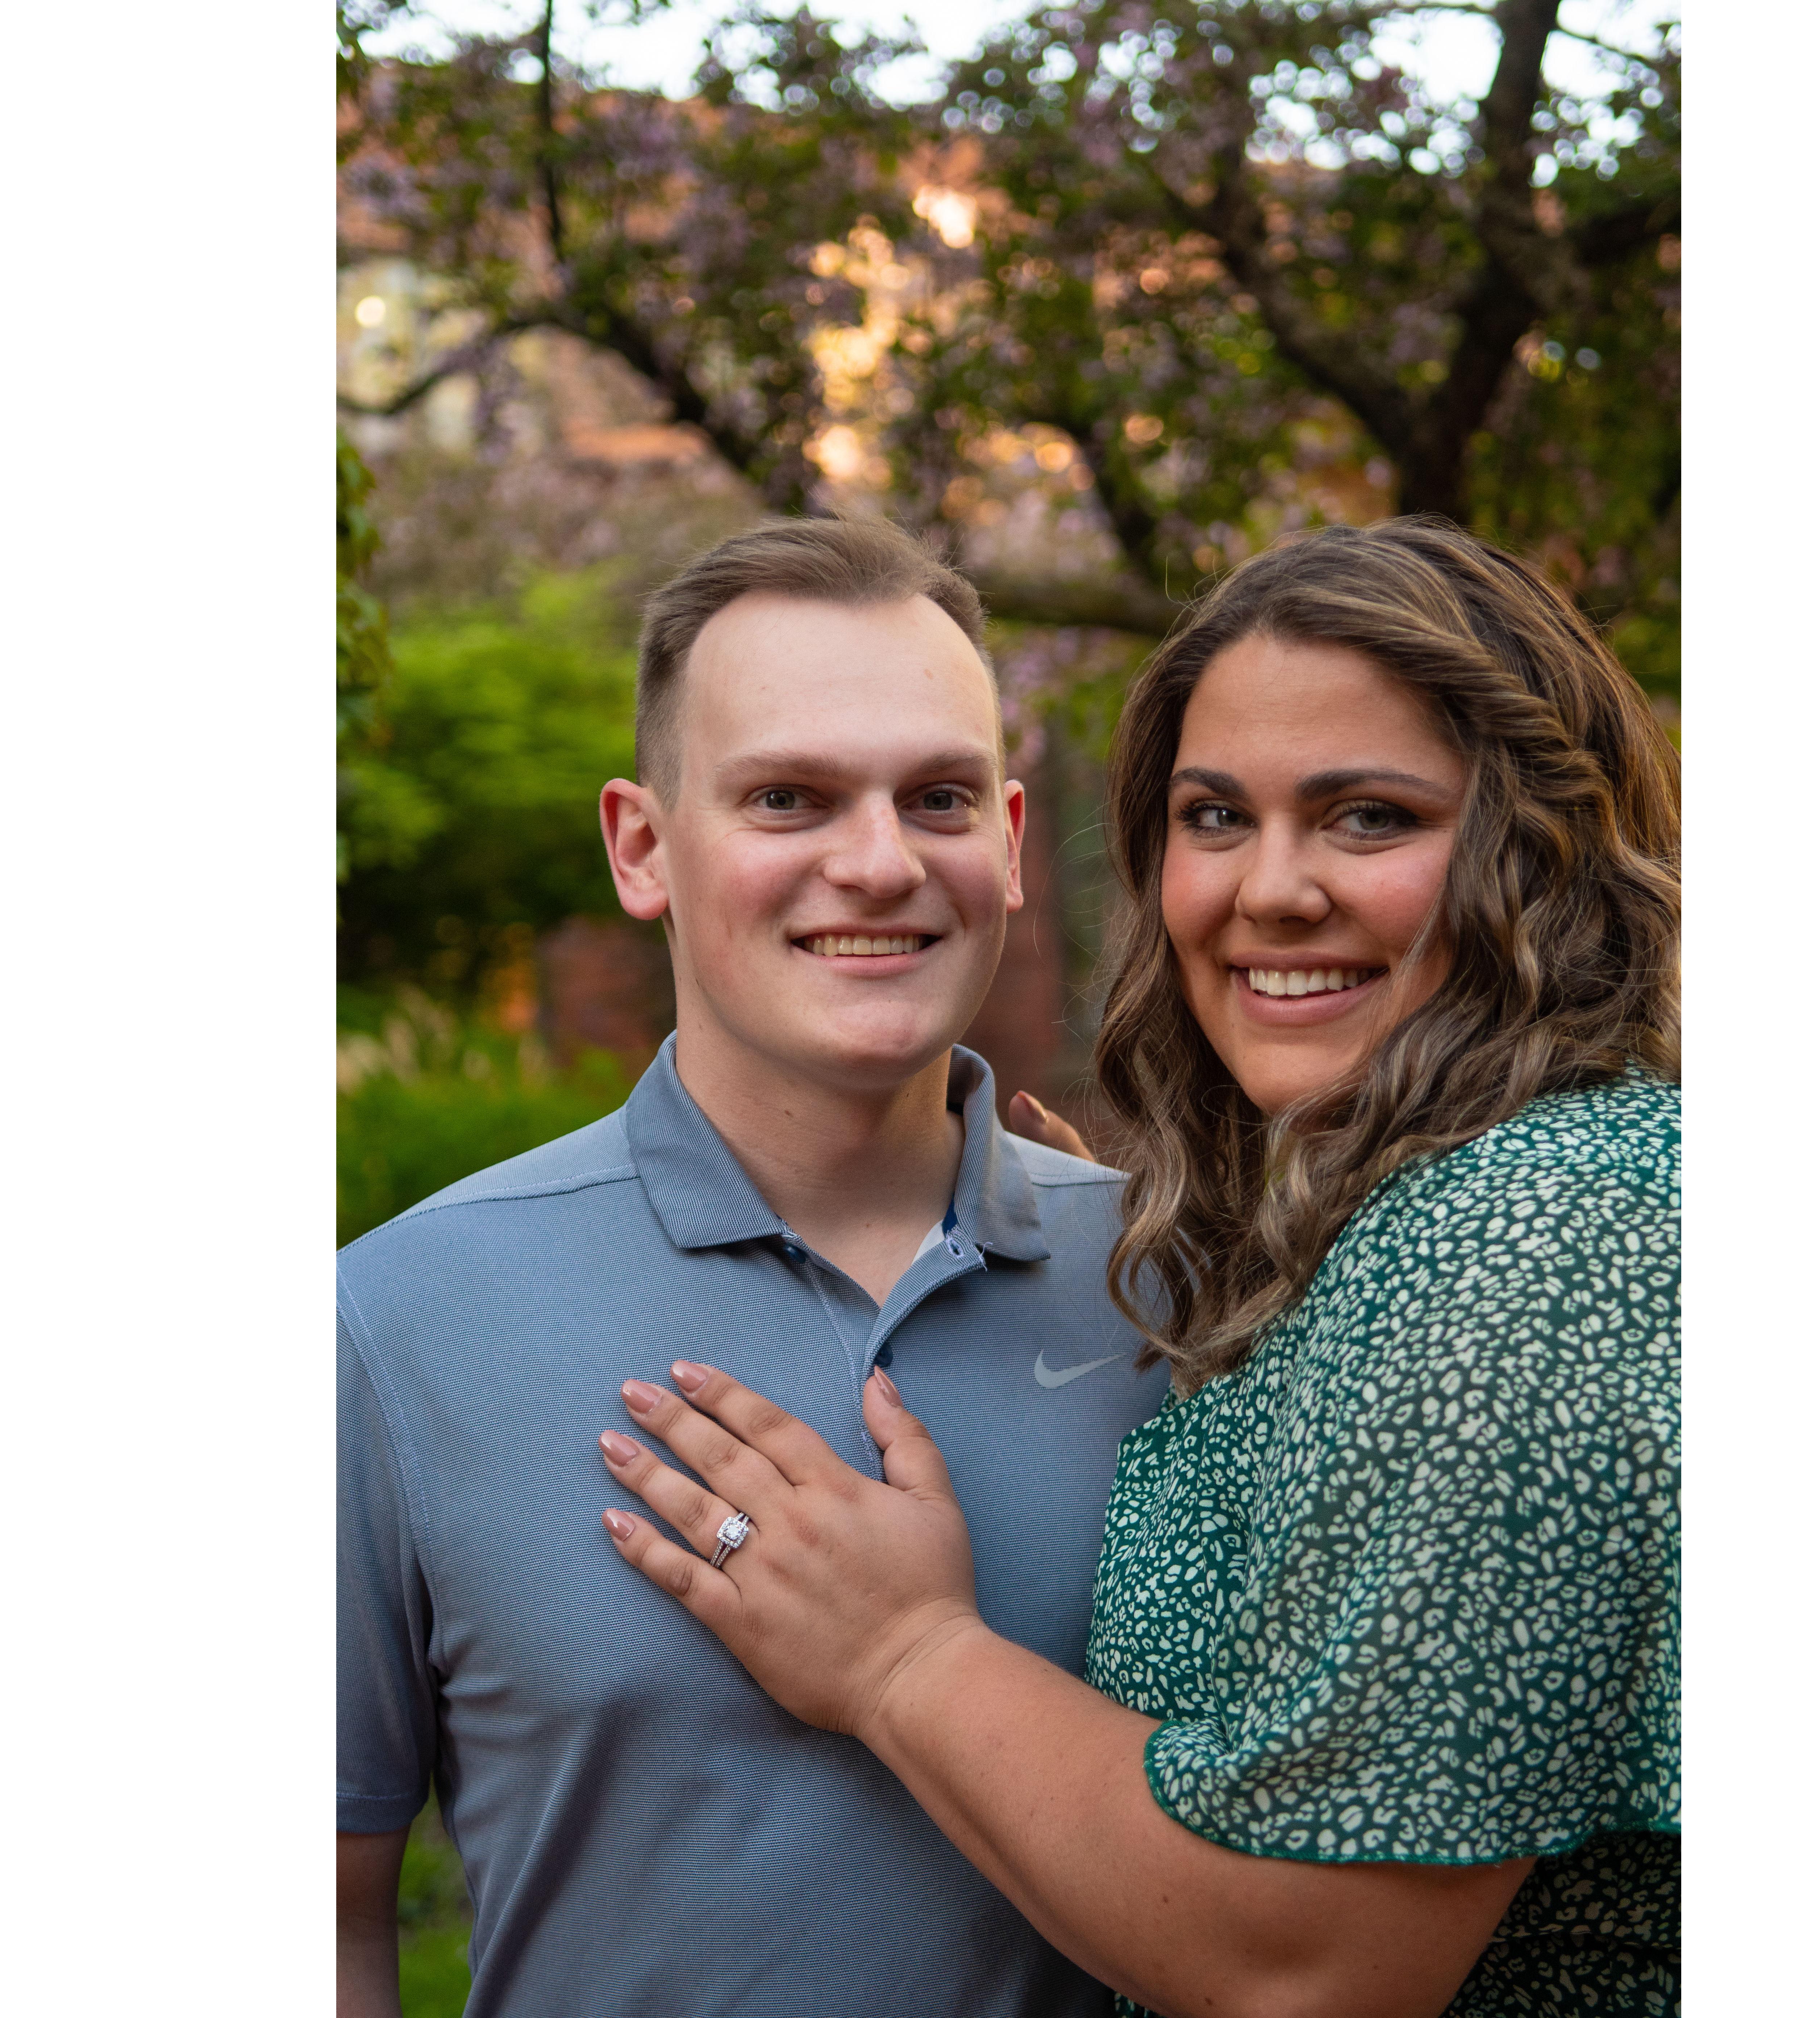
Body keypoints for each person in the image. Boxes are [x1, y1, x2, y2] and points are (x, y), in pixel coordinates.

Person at [583, 517, 1681, 2017]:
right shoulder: (1449, 1213)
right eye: (1216, 816)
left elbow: (1311, 1966)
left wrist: (903, 1655)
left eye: (1370, 818)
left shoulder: (1527, 1236)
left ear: (1543, 847)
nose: (1270, 890)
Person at [336, 518, 1168, 2017]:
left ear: (1009, 843)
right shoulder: (389, 1321)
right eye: (789, 798)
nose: (880, 864)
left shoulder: (1181, 1292)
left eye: (939, 798)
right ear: (642, 847)